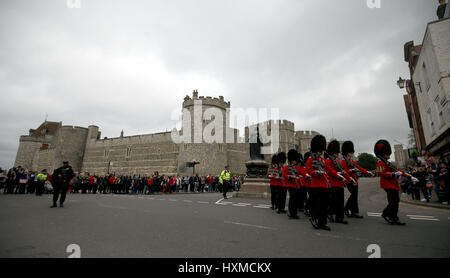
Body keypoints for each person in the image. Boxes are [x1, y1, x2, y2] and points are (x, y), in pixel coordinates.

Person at [374, 140, 416, 225]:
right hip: (387, 184)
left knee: (394, 201)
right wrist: (393, 174)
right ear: (383, 153)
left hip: (393, 184)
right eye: (387, 153)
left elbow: (398, 170)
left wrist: (409, 176)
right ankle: (386, 214)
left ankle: (393, 217)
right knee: (394, 201)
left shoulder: (389, 163)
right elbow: (381, 173)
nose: (389, 155)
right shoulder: (379, 163)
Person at [341, 141, 374, 218]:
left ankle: (354, 212)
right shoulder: (343, 162)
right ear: (347, 153)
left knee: (355, 196)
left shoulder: (351, 161)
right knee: (353, 195)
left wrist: (367, 172)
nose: (352, 153)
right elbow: (344, 171)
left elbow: (359, 168)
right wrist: (351, 170)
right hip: (349, 181)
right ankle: (346, 208)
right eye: (351, 152)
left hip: (355, 180)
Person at [306, 135, 331, 231]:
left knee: (324, 205)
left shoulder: (322, 160)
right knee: (318, 204)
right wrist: (316, 173)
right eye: (320, 150)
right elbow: (309, 170)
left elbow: (327, 170)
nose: (321, 152)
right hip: (316, 184)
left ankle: (322, 222)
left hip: (324, 184)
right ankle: (314, 219)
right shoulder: (311, 159)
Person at [325, 140, 351, 225]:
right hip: (332, 183)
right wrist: (338, 174)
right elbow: (330, 171)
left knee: (340, 201)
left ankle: (340, 217)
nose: (338, 154)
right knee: (333, 201)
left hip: (339, 184)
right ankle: (331, 214)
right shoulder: (328, 161)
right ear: (333, 152)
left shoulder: (337, 161)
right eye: (336, 152)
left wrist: (348, 177)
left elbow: (343, 170)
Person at [283, 150, 301, 219]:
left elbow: (300, 173)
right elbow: (284, 174)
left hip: (296, 185)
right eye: (294, 160)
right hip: (290, 185)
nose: (295, 161)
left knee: (296, 199)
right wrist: (289, 177)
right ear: (291, 160)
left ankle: (294, 213)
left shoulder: (296, 167)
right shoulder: (287, 167)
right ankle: (291, 213)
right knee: (292, 198)